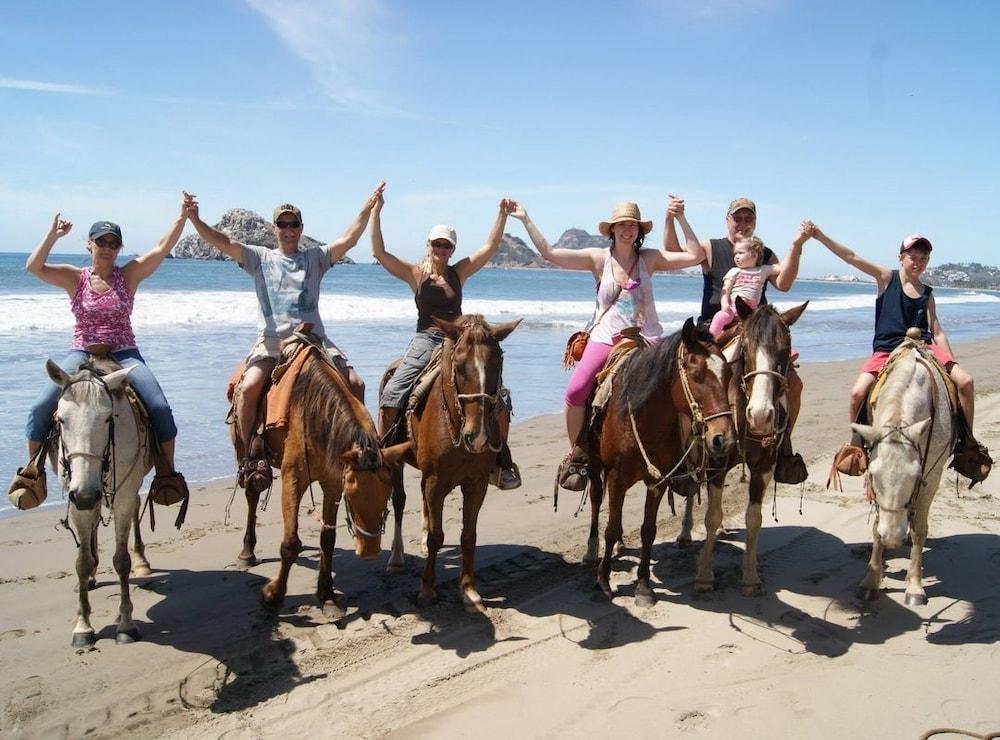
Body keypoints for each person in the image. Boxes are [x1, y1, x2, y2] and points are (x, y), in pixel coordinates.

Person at [183, 183, 383, 486]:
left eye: (293, 224)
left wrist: (368, 208)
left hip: (314, 341)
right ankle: (248, 457)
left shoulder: (316, 257)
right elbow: (223, 242)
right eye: (283, 224)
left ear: (301, 228)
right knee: (249, 388)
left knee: (356, 383)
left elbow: (350, 239)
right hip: (272, 342)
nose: (288, 230)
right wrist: (195, 220)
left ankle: (361, 451)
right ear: (274, 228)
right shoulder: (259, 257)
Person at [511, 200, 705, 491]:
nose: (627, 230)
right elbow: (549, 253)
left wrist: (680, 217)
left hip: (648, 339)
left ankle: (682, 457)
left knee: (679, 392)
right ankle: (577, 454)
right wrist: (525, 219)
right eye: (622, 225)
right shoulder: (598, 258)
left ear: (639, 230)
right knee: (575, 391)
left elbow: (695, 255)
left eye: (633, 225)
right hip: (606, 338)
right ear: (612, 229)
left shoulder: (650, 258)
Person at [9, 198, 190, 507]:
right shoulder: (74, 278)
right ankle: (33, 475)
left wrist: (183, 217)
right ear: (89, 244)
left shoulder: (127, 275)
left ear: (119, 248)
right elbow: (33, 266)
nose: (107, 247)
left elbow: (162, 248)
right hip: (82, 352)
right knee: (40, 407)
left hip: (124, 352)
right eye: (101, 241)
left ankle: (166, 474)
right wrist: (53, 236)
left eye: (113, 243)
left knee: (159, 407)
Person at [808, 225, 990, 479]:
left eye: (923, 258)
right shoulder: (886, 278)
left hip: (924, 347)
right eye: (913, 257)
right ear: (901, 258)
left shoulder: (927, 294)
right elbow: (851, 257)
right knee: (857, 393)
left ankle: (966, 442)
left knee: (966, 382)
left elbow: (936, 331)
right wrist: (820, 237)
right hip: (887, 350)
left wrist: (950, 363)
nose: (918, 263)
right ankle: (857, 443)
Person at [371, 190, 522, 489]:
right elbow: (379, 253)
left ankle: (500, 460)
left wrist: (501, 215)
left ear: (452, 249)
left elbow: (490, 247)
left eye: (446, 245)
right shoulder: (415, 274)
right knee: (392, 393)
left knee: (499, 397)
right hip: (426, 340)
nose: (441, 249)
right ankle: (384, 456)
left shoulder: (458, 272)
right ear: (428, 246)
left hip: (459, 340)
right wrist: (376, 211)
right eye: (436, 244)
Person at [666, 196, 811, 484]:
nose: (743, 223)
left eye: (748, 218)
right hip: (715, 327)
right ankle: (682, 455)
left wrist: (797, 245)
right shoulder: (712, 248)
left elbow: (784, 283)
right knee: (680, 380)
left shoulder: (764, 253)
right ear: (728, 221)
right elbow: (672, 252)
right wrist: (671, 218)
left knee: (793, 384)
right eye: (737, 218)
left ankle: (783, 448)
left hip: (756, 331)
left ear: (754, 222)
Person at [709, 236, 776, 338]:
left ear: (754, 255)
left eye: (740, 253)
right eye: (735, 254)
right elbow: (725, 290)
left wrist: (795, 248)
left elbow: (781, 268)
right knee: (720, 317)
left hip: (752, 310)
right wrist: (724, 303)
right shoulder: (735, 271)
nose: (736, 257)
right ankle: (711, 340)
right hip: (733, 307)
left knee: (765, 326)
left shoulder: (763, 270)